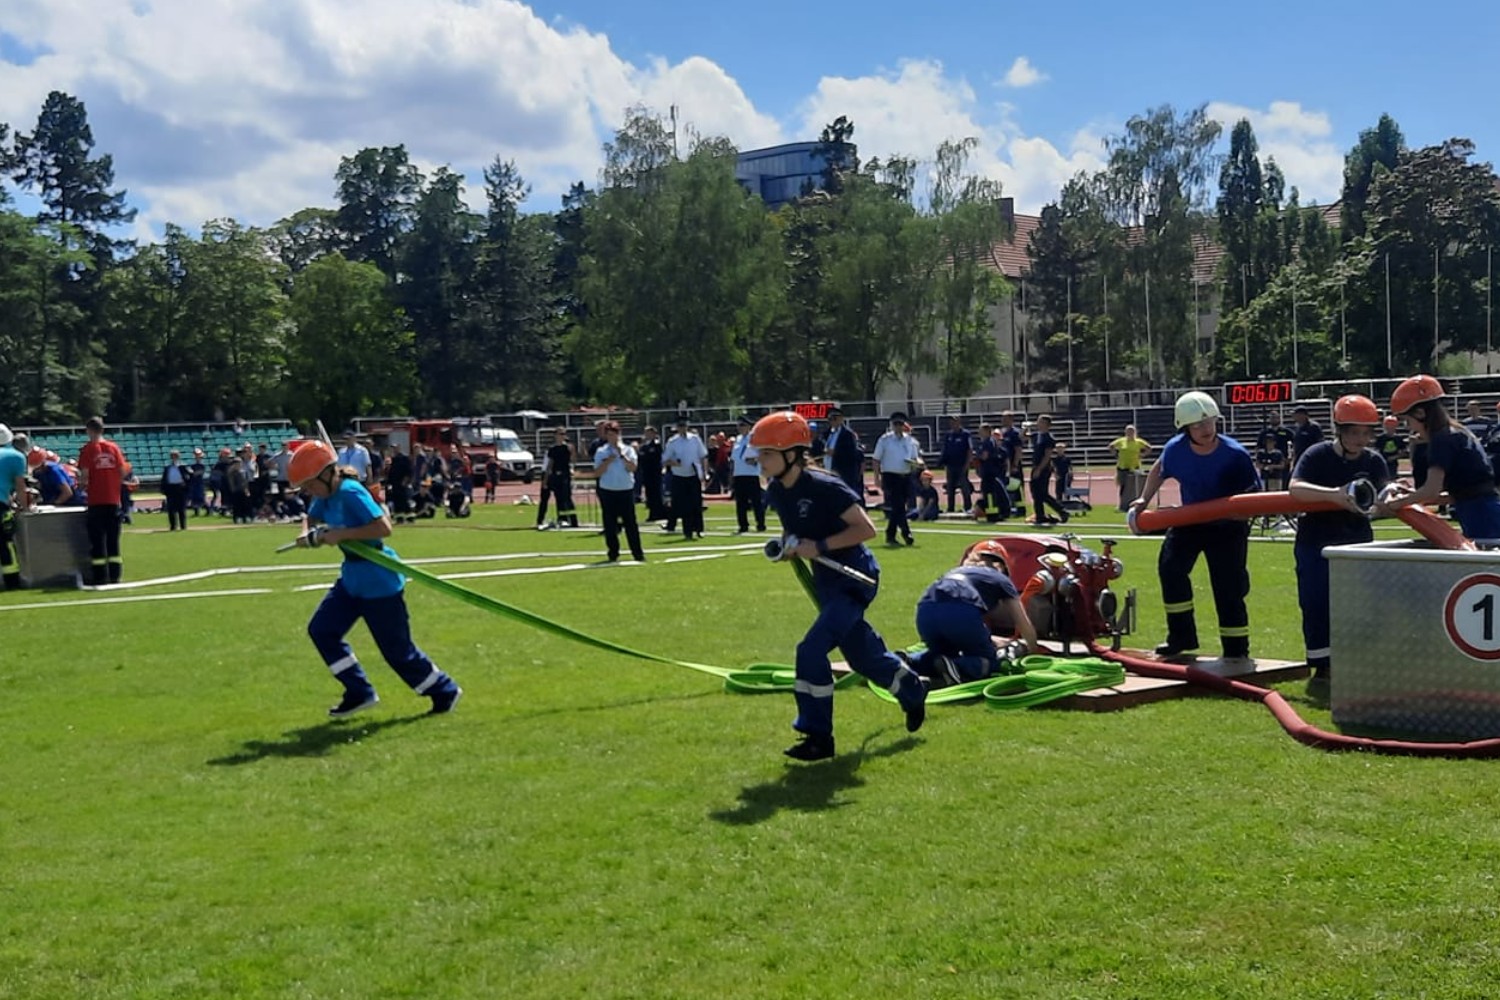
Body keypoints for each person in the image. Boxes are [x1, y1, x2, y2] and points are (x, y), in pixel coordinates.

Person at [750, 410, 926, 761]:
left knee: (810, 650)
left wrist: (820, 546)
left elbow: (866, 529)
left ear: (792, 454)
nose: (760, 461)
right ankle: (910, 688)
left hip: (854, 578)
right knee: (862, 657)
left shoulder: (825, 487)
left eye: (767, 453)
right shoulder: (778, 491)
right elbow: (794, 529)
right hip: (827, 581)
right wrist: (787, 547)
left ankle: (817, 736)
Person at [289, 442, 463, 717]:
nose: (309, 492)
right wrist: (306, 534)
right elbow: (311, 517)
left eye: (310, 485)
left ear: (327, 474)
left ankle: (444, 690)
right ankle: (359, 692)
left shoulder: (351, 492)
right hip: (352, 581)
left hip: (379, 582)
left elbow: (383, 527)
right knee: (322, 630)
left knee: (397, 652)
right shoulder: (325, 495)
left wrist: (340, 534)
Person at [1130, 391, 1261, 664]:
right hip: (1190, 521)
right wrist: (1144, 498)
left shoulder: (1235, 455)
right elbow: (1159, 468)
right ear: (1185, 428)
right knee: (1170, 568)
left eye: (1210, 421)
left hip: (1228, 527)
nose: (1206, 428)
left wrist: (1241, 514)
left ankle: (1236, 648)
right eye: (1198, 424)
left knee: (1228, 585)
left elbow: (1253, 495)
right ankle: (1181, 637)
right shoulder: (1175, 449)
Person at [1288, 395, 1389, 701]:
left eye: (1366, 432)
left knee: (1359, 604)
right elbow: (1295, 488)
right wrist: (1334, 495)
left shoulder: (1373, 461)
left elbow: (1386, 494)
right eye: (1354, 432)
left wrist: (1390, 496)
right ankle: (1322, 665)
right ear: (1339, 430)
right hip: (1315, 540)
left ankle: (1358, 659)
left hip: (1357, 540)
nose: (1361, 439)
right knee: (1316, 602)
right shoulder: (1316, 454)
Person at [1382, 374, 1500, 540]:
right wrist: (1412, 495)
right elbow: (1462, 493)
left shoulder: (1441, 439)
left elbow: (1431, 491)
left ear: (1420, 413)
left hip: (1481, 515)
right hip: (1486, 510)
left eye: (1407, 420)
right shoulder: (1458, 432)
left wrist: (1397, 503)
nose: (1409, 427)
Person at [912, 540, 1040, 686]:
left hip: (925, 610)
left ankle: (910, 661)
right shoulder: (1001, 579)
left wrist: (990, 639)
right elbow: (1022, 622)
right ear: (1002, 566)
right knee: (988, 661)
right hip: (960, 609)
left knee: (941, 653)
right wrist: (1033, 651)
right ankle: (956, 667)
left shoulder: (955, 572)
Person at [76, 417, 128, 586]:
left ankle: (100, 576)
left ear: (89, 430)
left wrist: (80, 487)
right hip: (113, 500)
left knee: (97, 541)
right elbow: (123, 471)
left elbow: (84, 476)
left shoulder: (88, 449)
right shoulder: (114, 448)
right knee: (113, 541)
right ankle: (115, 575)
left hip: (96, 501)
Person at [593, 421, 645, 562]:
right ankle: (613, 553)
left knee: (630, 523)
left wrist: (622, 456)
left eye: (614, 434)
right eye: (609, 435)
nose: (612, 438)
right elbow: (597, 472)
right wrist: (607, 461)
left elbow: (633, 468)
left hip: (625, 490)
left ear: (619, 434)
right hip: (608, 490)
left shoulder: (628, 449)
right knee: (610, 524)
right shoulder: (601, 451)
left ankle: (637, 553)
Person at [872, 411, 922, 546]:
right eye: (896, 424)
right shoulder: (885, 440)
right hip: (890, 476)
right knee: (898, 505)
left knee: (898, 507)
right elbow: (876, 459)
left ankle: (890, 534)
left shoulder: (910, 441)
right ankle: (906, 533)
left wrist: (917, 464)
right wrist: (877, 477)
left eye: (900, 424)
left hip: (906, 476)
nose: (898, 427)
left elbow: (914, 458)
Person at [661, 417, 708, 540]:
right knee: (684, 505)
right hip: (679, 477)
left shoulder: (695, 439)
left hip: (694, 475)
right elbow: (664, 459)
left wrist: (704, 473)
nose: (682, 428)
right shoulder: (672, 442)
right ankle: (687, 531)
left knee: (697, 504)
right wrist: (674, 463)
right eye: (680, 426)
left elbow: (703, 456)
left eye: (684, 425)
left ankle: (699, 529)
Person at [0, 424, 29, 590]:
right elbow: (20, 486)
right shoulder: (16, 456)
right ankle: (11, 581)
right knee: (5, 543)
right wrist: (25, 507)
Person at [1027, 414, 1068, 525]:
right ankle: (1040, 515)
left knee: (1042, 493)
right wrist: (1025, 428)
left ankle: (1062, 510)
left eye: (1040, 421)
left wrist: (1039, 469)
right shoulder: (1037, 435)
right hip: (1035, 466)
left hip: (1043, 468)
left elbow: (1047, 456)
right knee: (1035, 492)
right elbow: (1023, 436)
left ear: (1046, 424)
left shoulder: (1049, 438)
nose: (1037, 423)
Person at [816, 407, 865, 498]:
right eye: (830, 419)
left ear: (841, 419)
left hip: (843, 473)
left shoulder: (848, 435)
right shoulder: (826, 434)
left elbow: (851, 454)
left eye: (835, 418)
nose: (832, 421)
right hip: (827, 471)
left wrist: (835, 453)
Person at [729, 414, 766, 534]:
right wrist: (731, 475)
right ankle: (743, 525)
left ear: (749, 426)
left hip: (752, 474)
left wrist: (755, 460)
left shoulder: (755, 438)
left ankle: (760, 524)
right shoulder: (737, 439)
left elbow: (763, 453)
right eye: (738, 425)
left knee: (756, 501)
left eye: (742, 425)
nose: (740, 427)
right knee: (740, 502)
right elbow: (734, 459)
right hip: (739, 474)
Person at [537, 427, 577, 529]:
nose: (562, 436)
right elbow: (549, 464)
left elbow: (573, 460)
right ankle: (541, 520)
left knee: (564, 498)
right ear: (555, 435)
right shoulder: (552, 449)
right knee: (546, 498)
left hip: (564, 475)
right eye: (560, 434)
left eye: (564, 434)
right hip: (554, 474)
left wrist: (574, 451)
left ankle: (568, 520)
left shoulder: (568, 447)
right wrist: (545, 479)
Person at [1108, 425, 1151, 511]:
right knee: (1123, 487)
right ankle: (1122, 504)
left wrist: (1142, 455)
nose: (1130, 433)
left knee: (1136, 486)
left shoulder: (1138, 442)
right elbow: (1111, 446)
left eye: (1131, 431)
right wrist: (1115, 454)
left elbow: (1149, 448)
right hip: (1123, 466)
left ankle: (1138, 504)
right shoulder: (1121, 441)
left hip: (1135, 466)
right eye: (1128, 431)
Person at [939, 415, 974, 513]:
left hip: (962, 465)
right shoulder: (948, 435)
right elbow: (945, 449)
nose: (953, 424)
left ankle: (967, 507)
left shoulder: (966, 434)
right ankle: (951, 508)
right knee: (950, 487)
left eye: (955, 422)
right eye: (952, 422)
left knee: (964, 486)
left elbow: (970, 449)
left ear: (959, 422)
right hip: (950, 465)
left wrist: (967, 464)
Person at [636, 425, 666, 521]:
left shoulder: (656, 445)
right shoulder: (643, 446)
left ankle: (659, 512)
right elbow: (640, 457)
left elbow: (655, 457)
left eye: (649, 433)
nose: (647, 435)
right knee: (649, 494)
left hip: (655, 473)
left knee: (656, 493)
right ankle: (653, 513)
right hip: (646, 473)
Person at [161, 449, 190, 530]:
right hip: (171, 489)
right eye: (172, 456)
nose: (174, 457)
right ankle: (173, 526)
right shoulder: (168, 467)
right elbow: (164, 479)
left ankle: (183, 526)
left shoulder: (183, 466)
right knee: (171, 508)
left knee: (181, 508)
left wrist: (186, 485)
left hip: (180, 488)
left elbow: (190, 476)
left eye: (175, 455)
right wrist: (163, 489)